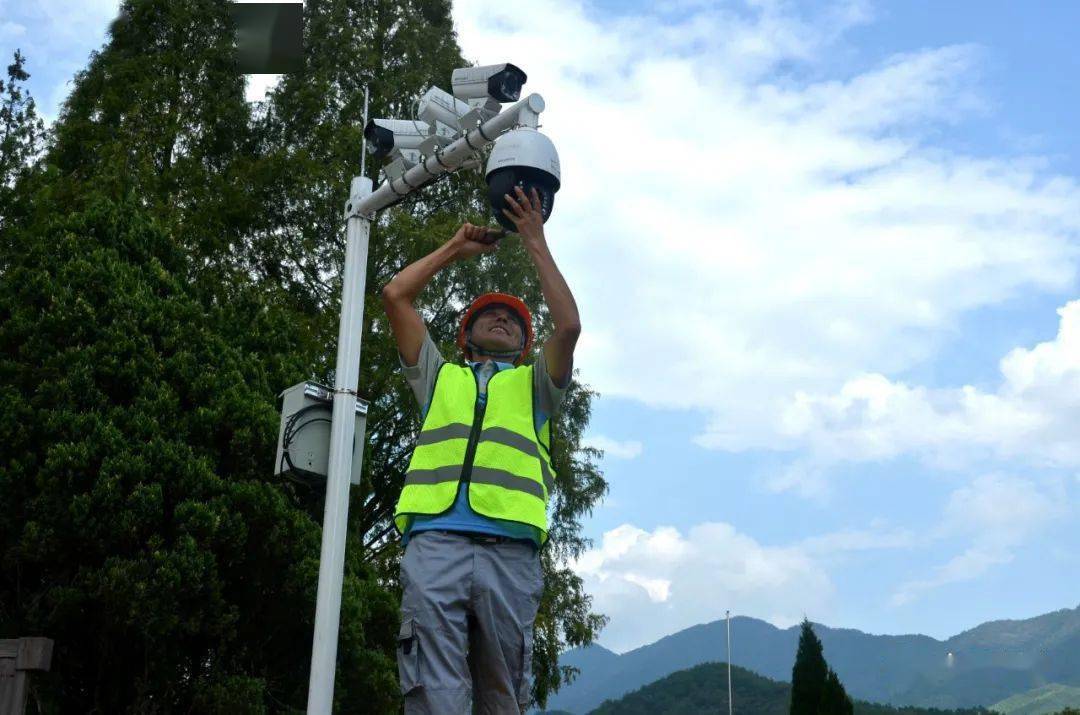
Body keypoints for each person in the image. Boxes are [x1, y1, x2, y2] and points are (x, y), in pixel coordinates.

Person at [381, 186, 581, 713]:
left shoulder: (536, 387)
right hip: (435, 543)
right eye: (489, 314)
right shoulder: (438, 377)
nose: (503, 318)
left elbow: (569, 326)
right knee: (432, 686)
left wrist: (535, 242)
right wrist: (452, 248)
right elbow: (396, 295)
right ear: (465, 335)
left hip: (509, 551)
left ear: (523, 343)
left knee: (501, 691)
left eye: (514, 319)